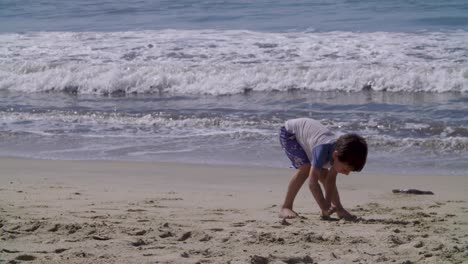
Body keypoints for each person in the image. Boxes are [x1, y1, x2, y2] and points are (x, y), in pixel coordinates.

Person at [279, 118, 368, 220]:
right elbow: (312, 183)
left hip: (309, 137)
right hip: (290, 134)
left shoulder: (340, 152)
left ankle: (339, 209)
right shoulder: (322, 150)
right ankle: (286, 207)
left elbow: (330, 180)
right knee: (306, 168)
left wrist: (327, 205)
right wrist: (324, 206)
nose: (346, 173)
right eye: (345, 169)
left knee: (324, 175)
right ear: (335, 155)